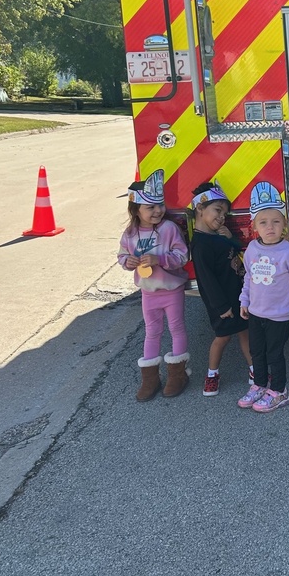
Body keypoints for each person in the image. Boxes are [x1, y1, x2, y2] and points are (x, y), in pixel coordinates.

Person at [117, 169, 190, 402]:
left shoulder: (169, 229)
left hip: (172, 290)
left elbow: (183, 255)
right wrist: (127, 262)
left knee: (176, 328)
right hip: (148, 292)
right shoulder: (130, 233)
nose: (158, 210)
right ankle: (150, 379)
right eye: (150, 207)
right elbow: (121, 256)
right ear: (135, 210)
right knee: (152, 331)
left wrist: (160, 259)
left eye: (159, 204)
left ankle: (178, 374)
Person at [239, 182, 289, 412]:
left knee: (274, 353)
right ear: (254, 226)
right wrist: (244, 300)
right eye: (263, 222)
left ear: (285, 226)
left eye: (276, 222)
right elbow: (248, 277)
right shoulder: (251, 249)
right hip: (256, 313)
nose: (270, 227)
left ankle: (279, 390)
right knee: (256, 351)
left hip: (279, 316)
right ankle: (259, 384)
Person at [190, 180, 252, 397]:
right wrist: (221, 306)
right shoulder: (200, 245)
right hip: (222, 302)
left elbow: (236, 250)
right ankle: (212, 375)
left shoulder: (217, 237)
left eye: (224, 213)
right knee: (222, 337)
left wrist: (230, 239)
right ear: (200, 208)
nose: (221, 217)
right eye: (217, 210)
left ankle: (255, 371)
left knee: (246, 332)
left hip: (237, 294)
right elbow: (206, 280)